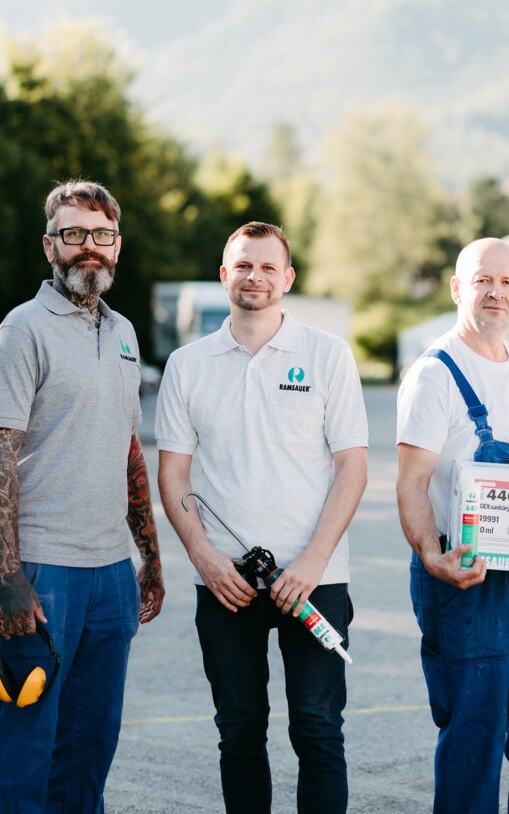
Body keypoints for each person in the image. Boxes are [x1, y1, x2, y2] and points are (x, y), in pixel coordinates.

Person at [155, 222, 368, 814]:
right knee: (240, 733)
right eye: (243, 265)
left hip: (314, 581)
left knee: (319, 730)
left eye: (269, 267)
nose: (256, 277)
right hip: (226, 584)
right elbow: (173, 477)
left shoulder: (328, 355)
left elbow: (353, 467)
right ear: (224, 275)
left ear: (288, 278)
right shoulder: (188, 364)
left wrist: (314, 560)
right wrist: (204, 559)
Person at [0, 180, 165, 813]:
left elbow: (128, 450)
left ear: (118, 245)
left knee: (88, 750)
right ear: (49, 246)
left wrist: (151, 558)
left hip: (110, 575)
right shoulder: (22, 331)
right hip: (40, 572)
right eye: (74, 234)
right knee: (20, 747)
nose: (90, 247)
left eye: (102, 235)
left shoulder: (125, 333)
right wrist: (7, 577)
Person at [396, 237, 509, 814]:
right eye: (482, 280)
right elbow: (411, 481)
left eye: (506, 282)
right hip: (466, 580)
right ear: (458, 289)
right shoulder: (435, 375)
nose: (495, 292)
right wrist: (432, 555)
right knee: (474, 733)